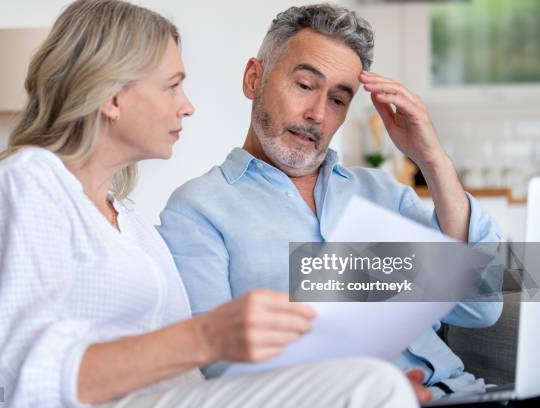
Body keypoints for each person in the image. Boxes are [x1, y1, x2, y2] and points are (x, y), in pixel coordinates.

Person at [0, 1, 420, 407]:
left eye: (338, 99)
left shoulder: (132, 225)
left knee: (371, 382)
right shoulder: (25, 183)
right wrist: (210, 336)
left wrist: (430, 160)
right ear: (112, 96)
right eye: (172, 85)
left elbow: (487, 290)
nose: (187, 105)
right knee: (370, 386)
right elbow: (20, 381)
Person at [157, 3, 503, 400]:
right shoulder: (199, 210)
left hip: (464, 394)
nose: (318, 114)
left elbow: (482, 307)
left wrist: (432, 160)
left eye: (338, 100)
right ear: (254, 78)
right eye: (304, 85)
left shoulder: (384, 195)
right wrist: (368, 389)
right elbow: (214, 366)